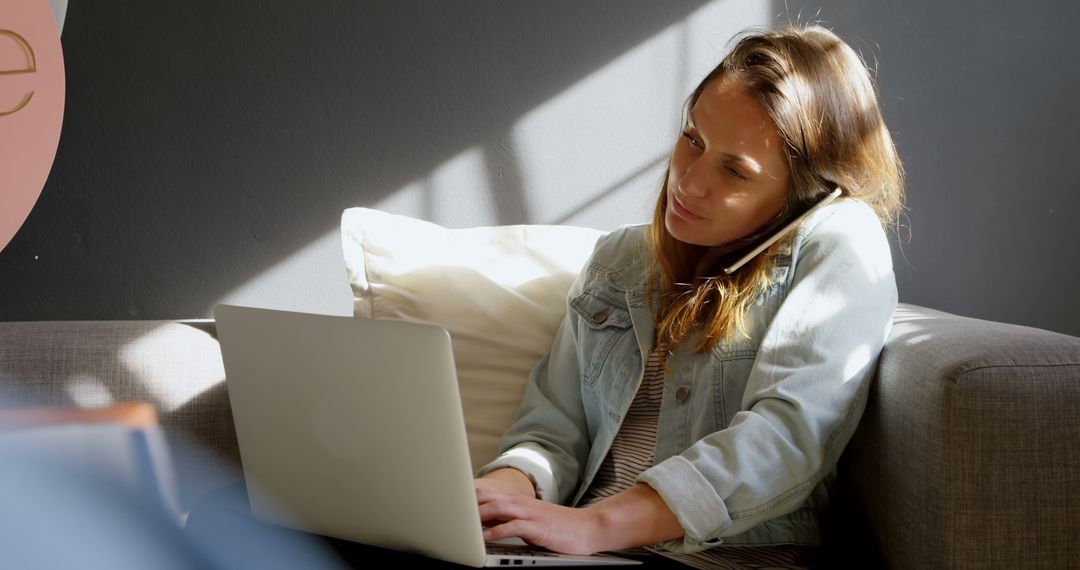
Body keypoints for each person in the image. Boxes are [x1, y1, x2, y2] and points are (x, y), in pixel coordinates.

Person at [474, 24, 904, 569]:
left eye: (734, 171)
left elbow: (787, 436)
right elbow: (552, 431)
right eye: (693, 139)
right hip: (580, 552)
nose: (689, 182)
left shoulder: (839, 240)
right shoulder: (619, 260)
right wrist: (502, 496)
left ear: (802, 196)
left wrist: (597, 524)